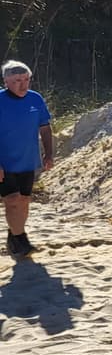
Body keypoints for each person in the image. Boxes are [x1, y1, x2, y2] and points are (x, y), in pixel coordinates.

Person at [0, 60, 53, 258]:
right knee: (12, 200)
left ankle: (14, 235)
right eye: (17, 80)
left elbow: (45, 128)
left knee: (23, 201)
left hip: (28, 160)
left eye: (26, 79)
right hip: (4, 163)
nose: (23, 85)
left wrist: (49, 154)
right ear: (6, 81)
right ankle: (21, 239)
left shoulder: (35, 99)